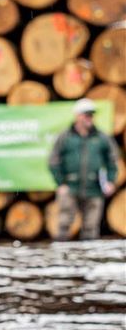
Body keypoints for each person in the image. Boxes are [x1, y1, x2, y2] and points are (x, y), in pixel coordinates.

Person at [47, 97, 120, 241]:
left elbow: (113, 161)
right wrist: (60, 182)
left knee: (91, 229)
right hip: (70, 187)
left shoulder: (102, 137)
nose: (89, 118)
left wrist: (110, 181)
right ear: (77, 116)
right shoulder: (65, 136)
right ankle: (60, 259)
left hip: (94, 189)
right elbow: (53, 160)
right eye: (86, 114)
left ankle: (88, 261)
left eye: (91, 114)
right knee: (63, 226)